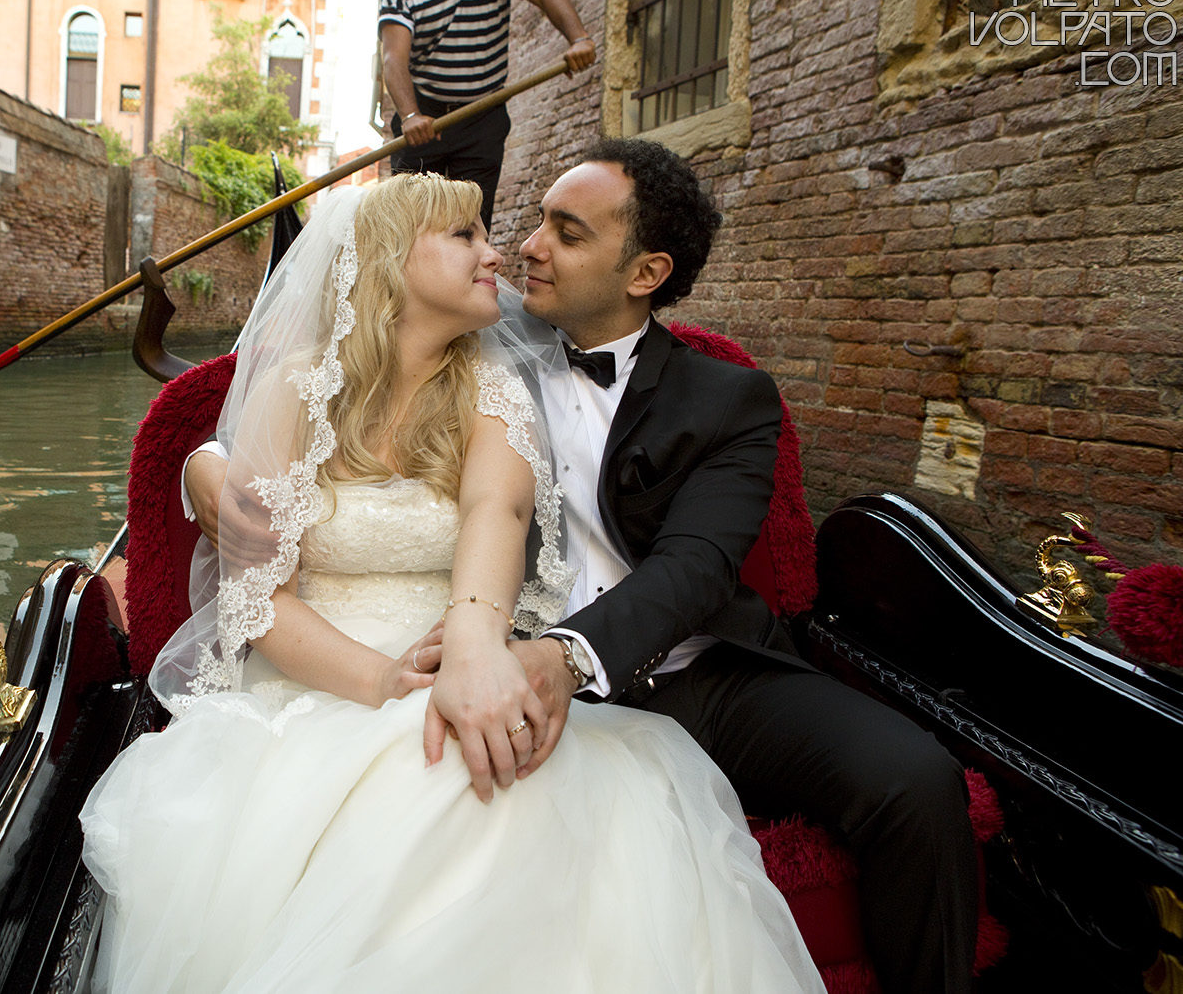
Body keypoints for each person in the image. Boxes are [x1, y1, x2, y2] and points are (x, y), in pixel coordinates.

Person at [191, 143, 981, 994]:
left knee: (917, 780)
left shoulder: (728, 400)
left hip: (692, 670)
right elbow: (313, 403)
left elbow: (696, 568)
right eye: (527, 223)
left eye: (565, 233)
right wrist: (205, 466)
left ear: (644, 270)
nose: (524, 246)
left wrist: (558, 655)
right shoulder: (482, 333)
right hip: (500, 654)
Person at [82, 173, 824, 992]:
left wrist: (467, 654)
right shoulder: (297, 389)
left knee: (477, 773)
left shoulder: (492, 387)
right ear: (393, 262)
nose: (498, 251)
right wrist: (381, 680)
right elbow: (259, 599)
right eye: (466, 235)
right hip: (310, 683)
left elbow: (495, 517)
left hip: (454, 663)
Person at [380, 0, 595, 232]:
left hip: (483, 116)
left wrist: (579, 38)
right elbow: (393, 58)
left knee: (472, 224)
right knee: (412, 225)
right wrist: (410, 115)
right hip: (425, 121)